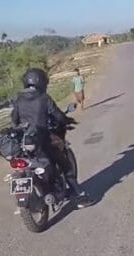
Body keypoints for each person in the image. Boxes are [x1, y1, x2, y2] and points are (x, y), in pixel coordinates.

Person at [10, 68, 87, 206]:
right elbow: (57, 115)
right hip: (42, 139)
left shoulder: (19, 99)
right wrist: (67, 120)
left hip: (24, 141)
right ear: (41, 82)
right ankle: (79, 195)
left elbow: (14, 120)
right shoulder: (43, 98)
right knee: (65, 164)